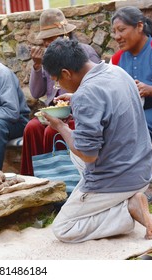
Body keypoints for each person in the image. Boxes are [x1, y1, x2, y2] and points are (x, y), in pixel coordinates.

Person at [41, 38, 152, 243]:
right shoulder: (116, 71)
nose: (57, 85)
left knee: (63, 228)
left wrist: (60, 127)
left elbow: (89, 154)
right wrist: (76, 98)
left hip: (118, 176)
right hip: (142, 168)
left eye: (57, 80)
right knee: (73, 153)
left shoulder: (86, 94)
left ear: (66, 73)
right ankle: (118, 199)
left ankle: (126, 210)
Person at [20, 8, 101, 176]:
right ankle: (34, 180)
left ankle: (59, 180)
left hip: (78, 113)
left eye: (51, 40)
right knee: (31, 128)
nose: (46, 45)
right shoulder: (48, 57)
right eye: (44, 41)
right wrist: (37, 66)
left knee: (52, 131)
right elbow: (36, 93)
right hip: (54, 113)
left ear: (65, 36)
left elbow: (94, 88)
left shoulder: (84, 53)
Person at [110, 6, 152, 204]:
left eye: (122, 30)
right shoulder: (115, 60)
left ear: (139, 26)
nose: (117, 36)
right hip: (132, 113)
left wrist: (149, 89)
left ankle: (144, 185)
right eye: (114, 32)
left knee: (138, 126)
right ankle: (116, 186)